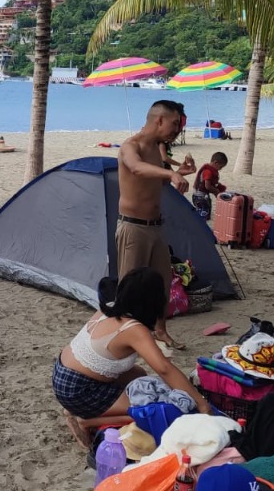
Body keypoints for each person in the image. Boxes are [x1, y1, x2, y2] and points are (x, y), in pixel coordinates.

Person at [53, 269, 211, 423]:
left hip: (61, 373)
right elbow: (165, 369)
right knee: (155, 409)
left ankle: (73, 409)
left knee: (139, 374)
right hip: (78, 390)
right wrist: (201, 403)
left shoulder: (109, 307)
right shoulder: (135, 330)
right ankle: (86, 421)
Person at [117, 99, 194, 351]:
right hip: (133, 227)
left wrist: (179, 171)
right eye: (175, 124)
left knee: (163, 281)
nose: (177, 130)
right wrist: (171, 174)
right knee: (130, 286)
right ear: (159, 119)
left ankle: (160, 330)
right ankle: (125, 336)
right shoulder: (132, 146)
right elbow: (137, 169)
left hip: (155, 227)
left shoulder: (157, 148)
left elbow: (154, 182)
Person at [192, 152, 228, 220]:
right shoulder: (208, 171)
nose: (220, 169)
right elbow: (207, 186)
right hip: (201, 196)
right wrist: (216, 191)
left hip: (198, 195)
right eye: (220, 167)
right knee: (204, 212)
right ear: (216, 163)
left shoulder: (209, 169)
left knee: (202, 210)